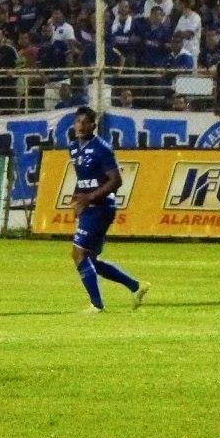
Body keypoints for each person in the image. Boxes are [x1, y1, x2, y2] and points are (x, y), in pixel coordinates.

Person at [68, 106, 149, 312]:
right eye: (78, 121)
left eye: (85, 122)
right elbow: (83, 178)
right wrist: (78, 198)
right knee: (90, 258)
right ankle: (136, 286)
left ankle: (96, 305)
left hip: (101, 207)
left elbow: (116, 181)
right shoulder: (73, 147)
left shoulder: (101, 148)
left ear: (93, 125)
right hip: (89, 207)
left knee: (78, 254)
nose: (81, 125)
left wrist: (89, 198)